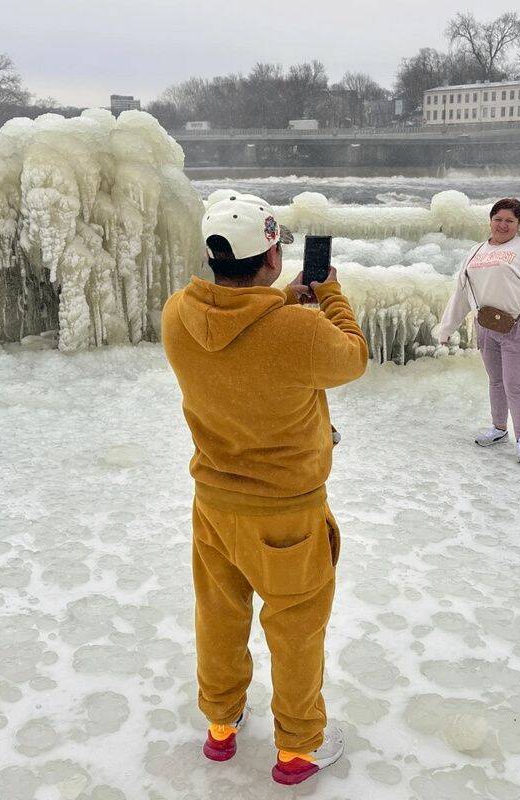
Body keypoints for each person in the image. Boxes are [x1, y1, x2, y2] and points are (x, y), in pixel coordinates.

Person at [161, 193, 368, 785]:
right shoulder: (298, 330)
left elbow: (242, 333)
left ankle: (222, 725)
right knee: (296, 629)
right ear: (272, 255)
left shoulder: (178, 313)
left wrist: (281, 305)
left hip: (214, 506)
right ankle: (298, 748)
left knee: (220, 618)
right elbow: (351, 356)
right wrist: (325, 293)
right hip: (286, 514)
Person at [436, 198, 520, 463]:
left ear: (519, 224)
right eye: (498, 219)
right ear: (490, 221)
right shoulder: (475, 252)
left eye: (509, 221)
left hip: (519, 326)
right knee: (496, 381)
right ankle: (499, 429)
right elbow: (461, 294)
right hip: (486, 326)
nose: (502, 225)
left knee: (516, 384)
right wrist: (446, 329)